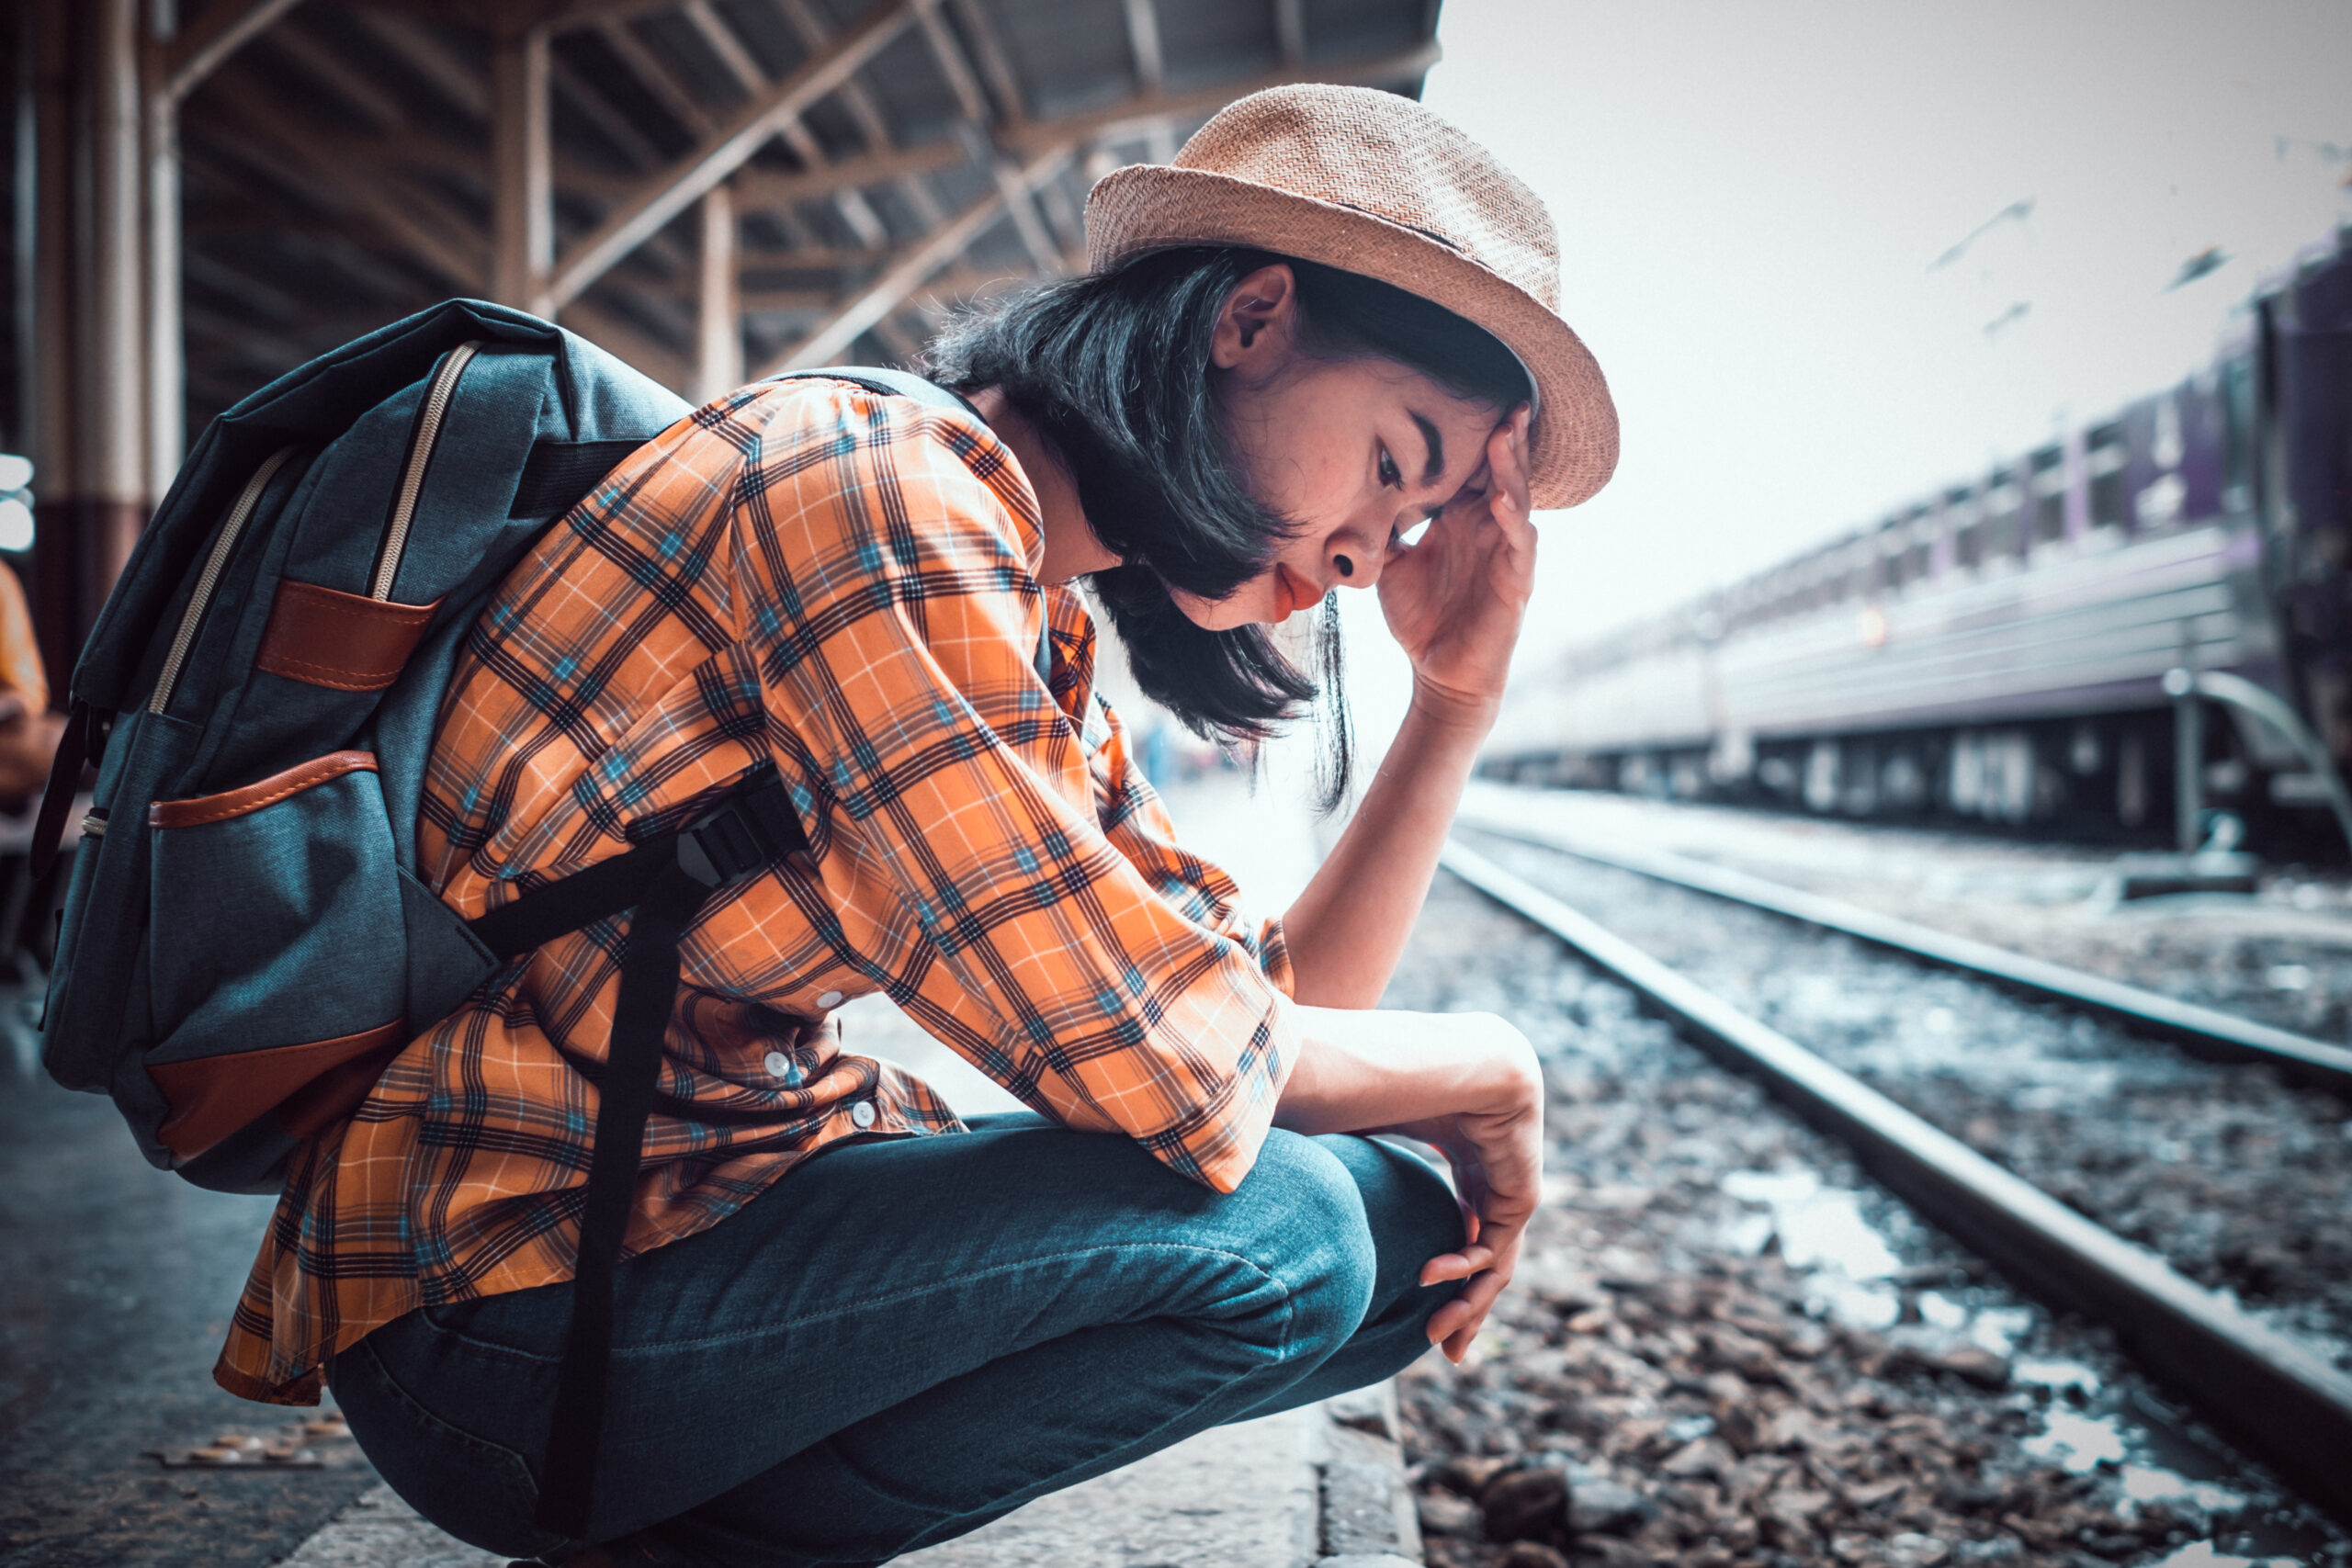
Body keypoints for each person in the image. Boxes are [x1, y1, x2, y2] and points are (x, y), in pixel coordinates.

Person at [213, 84, 1617, 1567]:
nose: (1358, 562)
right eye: (1392, 468)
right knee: (1292, 1233)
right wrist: (1491, 1068)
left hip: (692, 1231)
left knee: (1399, 1224)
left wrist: (1452, 699)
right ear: (1250, 321)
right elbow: (1171, 1059)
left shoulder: (1028, 620)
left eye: (1403, 531)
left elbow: (1272, 1027)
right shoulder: (877, 495)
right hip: (506, 1308)